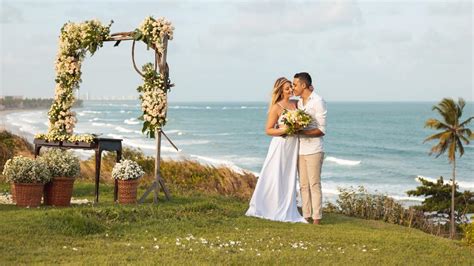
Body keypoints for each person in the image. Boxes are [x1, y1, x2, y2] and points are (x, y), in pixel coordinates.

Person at [245, 77, 307, 223]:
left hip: (293, 147)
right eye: (287, 88)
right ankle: (268, 206)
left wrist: (298, 126)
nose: (291, 90)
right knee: (275, 175)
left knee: (288, 176)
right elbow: (268, 130)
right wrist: (284, 129)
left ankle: (286, 205)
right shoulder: (277, 107)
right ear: (280, 91)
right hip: (280, 145)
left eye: (291, 87)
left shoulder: (295, 104)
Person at [292, 72, 327, 225]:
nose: (293, 87)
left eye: (295, 85)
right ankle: (305, 216)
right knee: (303, 185)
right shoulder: (299, 103)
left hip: (314, 150)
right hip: (300, 150)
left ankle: (317, 219)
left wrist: (300, 131)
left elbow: (321, 130)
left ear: (303, 85)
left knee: (314, 184)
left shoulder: (318, 101)